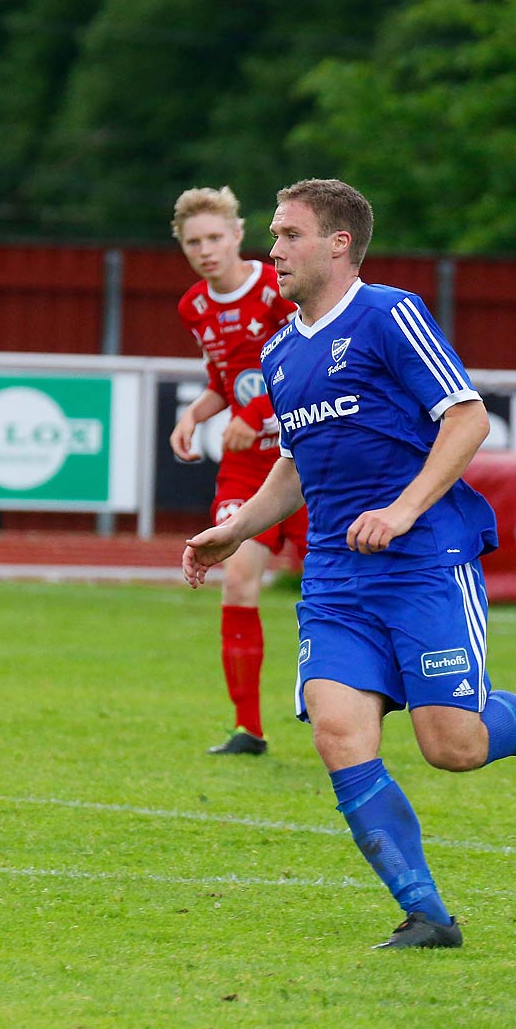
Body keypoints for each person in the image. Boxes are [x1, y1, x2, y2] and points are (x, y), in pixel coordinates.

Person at [184, 178, 516, 950]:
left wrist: (404, 509)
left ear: (338, 243)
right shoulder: (279, 349)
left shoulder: (390, 314)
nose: (274, 250)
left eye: (289, 235)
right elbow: (295, 466)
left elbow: (467, 419)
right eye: (274, 235)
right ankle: (426, 912)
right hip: (334, 576)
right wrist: (236, 531)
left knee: (452, 747)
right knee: (337, 733)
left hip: (424, 562)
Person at [168, 186, 307, 756]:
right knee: (239, 579)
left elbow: (304, 362)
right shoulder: (193, 307)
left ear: (237, 236)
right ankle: (249, 729)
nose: (206, 250)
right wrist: (196, 414)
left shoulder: (275, 287)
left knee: (339, 585)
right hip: (247, 467)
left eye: (215, 238)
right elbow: (226, 379)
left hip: (304, 456)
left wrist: (252, 413)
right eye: (193, 242)